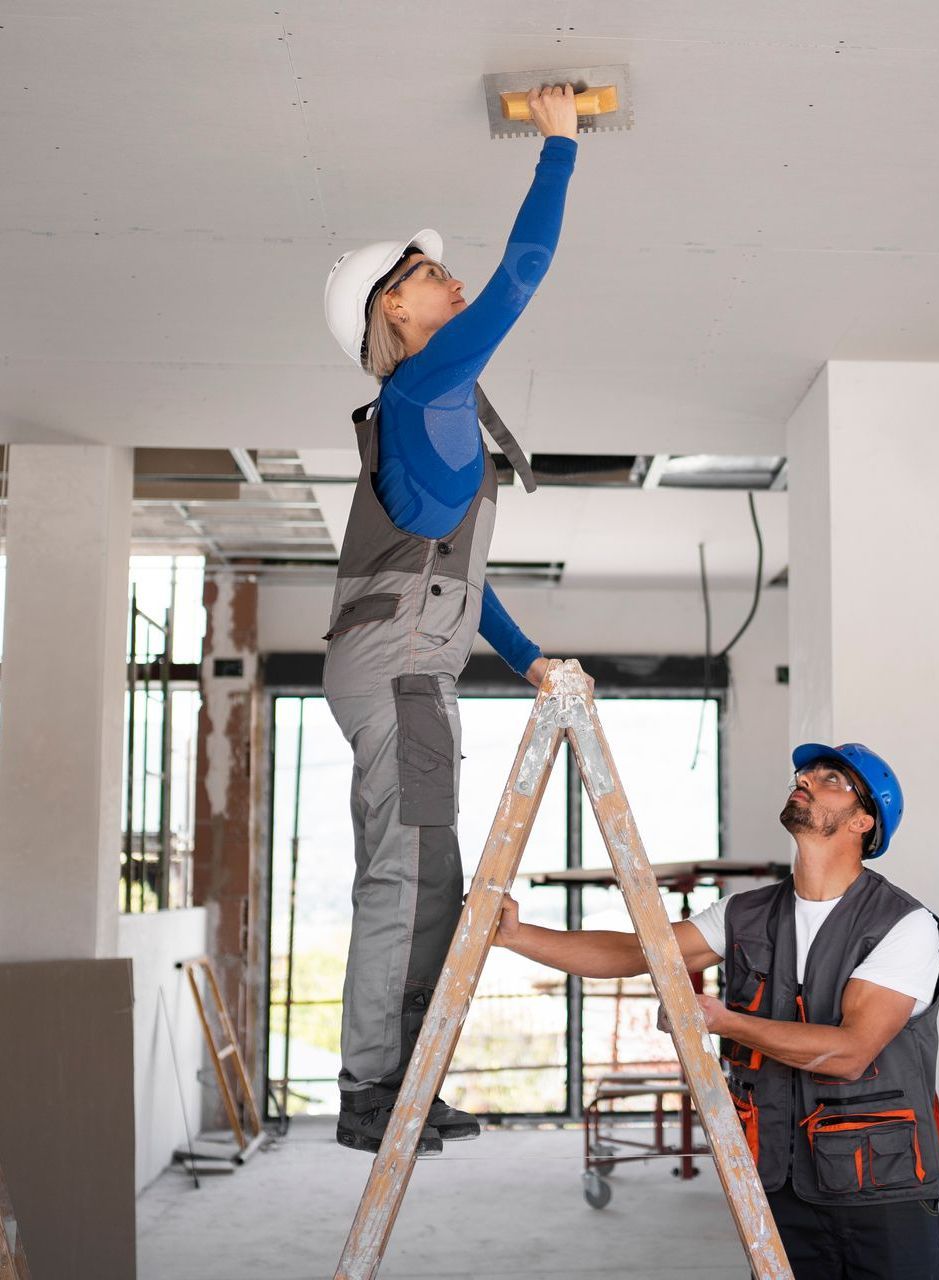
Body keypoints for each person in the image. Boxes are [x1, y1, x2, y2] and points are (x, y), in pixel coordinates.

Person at [320, 84, 588, 1157]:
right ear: (396, 312)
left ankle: (402, 1078)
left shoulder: (428, 407)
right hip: (399, 670)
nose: (456, 282)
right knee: (408, 871)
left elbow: (456, 582)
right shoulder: (423, 386)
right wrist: (559, 146)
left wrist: (524, 656)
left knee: (427, 871)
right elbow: (520, 279)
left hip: (398, 659)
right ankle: (372, 1087)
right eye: (431, 276)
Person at [496, 742, 939, 1280]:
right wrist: (517, 936)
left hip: (883, 1190)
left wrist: (721, 1021)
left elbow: (851, 1053)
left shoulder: (904, 925)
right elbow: (636, 952)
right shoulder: (746, 914)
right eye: (805, 771)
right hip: (778, 1184)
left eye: (830, 777)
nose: (805, 777)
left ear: (862, 820)